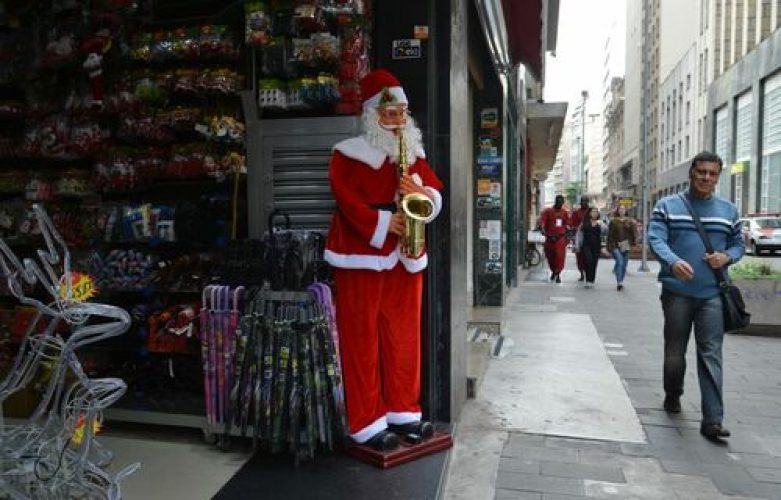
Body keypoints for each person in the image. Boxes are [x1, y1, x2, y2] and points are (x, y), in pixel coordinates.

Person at [324, 69, 444, 451]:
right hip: (360, 253)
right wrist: (382, 222)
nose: (398, 122)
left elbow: (435, 194)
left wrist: (420, 194)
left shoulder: (415, 155)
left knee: (405, 336)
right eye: (390, 114)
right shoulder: (347, 154)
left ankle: (403, 412)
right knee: (361, 338)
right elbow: (346, 200)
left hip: (406, 252)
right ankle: (366, 421)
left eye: (402, 114)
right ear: (372, 115)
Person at [647, 151, 744, 441]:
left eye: (712, 174)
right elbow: (655, 238)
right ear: (691, 173)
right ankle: (673, 393)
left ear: (718, 177)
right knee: (675, 352)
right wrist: (673, 261)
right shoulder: (668, 206)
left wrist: (726, 257)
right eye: (701, 172)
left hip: (713, 294)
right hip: (677, 294)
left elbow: (739, 244)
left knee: (711, 353)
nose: (706, 178)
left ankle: (712, 420)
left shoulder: (728, 211)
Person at [538, 195, 569, 283]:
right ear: (555, 201)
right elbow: (542, 221)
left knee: (559, 256)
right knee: (550, 256)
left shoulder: (564, 213)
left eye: (561, 202)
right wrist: (542, 227)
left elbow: (567, 224)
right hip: (549, 237)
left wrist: (568, 232)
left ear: (563, 203)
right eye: (558, 201)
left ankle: (558, 273)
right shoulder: (548, 211)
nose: (559, 203)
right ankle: (553, 271)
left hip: (560, 238)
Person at [607, 205, 637, 291]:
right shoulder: (613, 221)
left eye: (623, 209)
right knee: (619, 262)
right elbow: (610, 235)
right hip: (615, 244)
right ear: (618, 210)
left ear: (625, 211)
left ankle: (621, 280)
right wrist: (608, 246)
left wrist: (633, 242)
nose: (622, 210)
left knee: (624, 265)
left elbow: (634, 234)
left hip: (625, 244)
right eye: (620, 209)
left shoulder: (630, 221)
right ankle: (619, 282)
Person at [578, 207, 604, 288]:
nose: (594, 213)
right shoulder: (584, 223)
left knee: (594, 263)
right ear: (589, 213)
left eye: (596, 212)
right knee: (588, 261)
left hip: (596, 246)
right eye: (593, 212)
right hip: (586, 245)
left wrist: (602, 225)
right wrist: (577, 245)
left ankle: (591, 280)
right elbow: (579, 234)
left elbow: (605, 233)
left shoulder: (600, 223)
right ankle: (588, 280)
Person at [569, 195, 590, 282]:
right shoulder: (576, 213)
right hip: (578, 237)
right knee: (579, 256)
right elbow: (572, 224)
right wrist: (573, 236)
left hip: (589, 237)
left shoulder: (591, 212)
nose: (583, 203)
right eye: (582, 201)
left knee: (588, 256)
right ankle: (582, 273)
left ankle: (588, 273)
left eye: (585, 201)